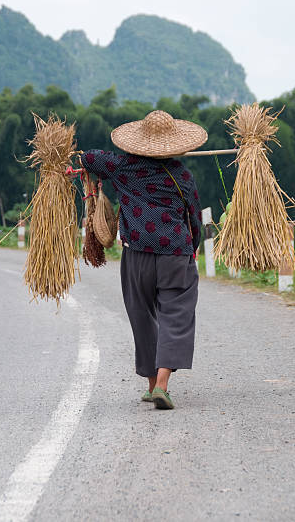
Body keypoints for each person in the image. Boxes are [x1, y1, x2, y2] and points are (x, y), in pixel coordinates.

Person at [80, 110, 208, 409]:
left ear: (137, 142)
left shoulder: (123, 168)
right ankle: (161, 385)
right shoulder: (183, 176)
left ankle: (152, 386)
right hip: (176, 253)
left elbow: (89, 158)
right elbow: (195, 218)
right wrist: (194, 247)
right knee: (176, 315)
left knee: (143, 316)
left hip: (137, 254)